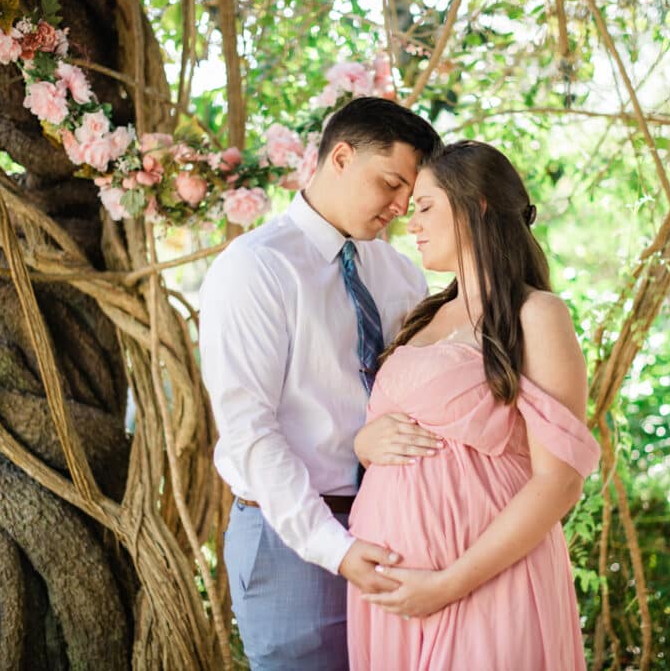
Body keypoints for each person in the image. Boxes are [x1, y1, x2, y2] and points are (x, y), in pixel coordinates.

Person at [199, 97, 442, 670]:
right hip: (292, 539)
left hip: (393, 527)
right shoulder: (255, 268)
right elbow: (249, 430)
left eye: (412, 193)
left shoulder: (399, 272)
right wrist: (335, 547)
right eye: (390, 183)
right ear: (340, 157)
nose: (402, 206)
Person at [346, 140, 601, 670]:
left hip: (484, 583)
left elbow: (559, 481)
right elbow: (398, 436)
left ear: (477, 205)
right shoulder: (422, 316)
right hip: (393, 592)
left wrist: (445, 585)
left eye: (424, 206)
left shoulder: (537, 315)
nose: (409, 222)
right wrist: (363, 444)